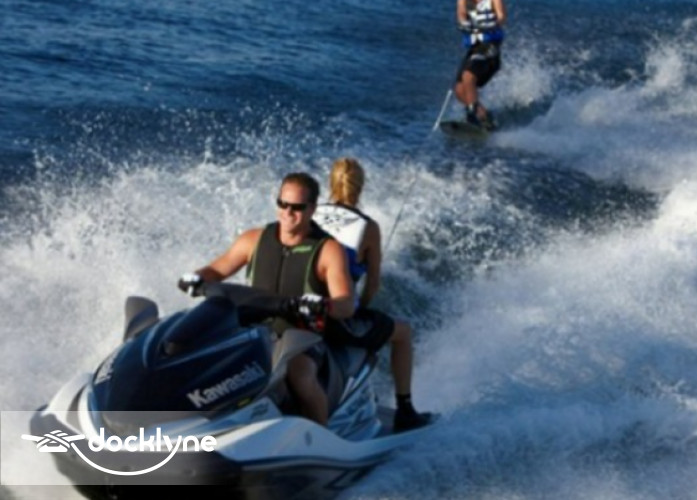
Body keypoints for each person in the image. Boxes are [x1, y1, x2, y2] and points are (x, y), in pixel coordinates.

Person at [178, 172, 355, 427]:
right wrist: (195, 278)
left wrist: (322, 305)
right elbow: (216, 270)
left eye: (297, 207)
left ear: (312, 209)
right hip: (253, 330)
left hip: (301, 335)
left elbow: (346, 304)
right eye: (283, 203)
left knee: (300, 374)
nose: (287, 212)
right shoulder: (253, 239)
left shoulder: (328, 249)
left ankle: (322, 434)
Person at [313, 157, 432, 432]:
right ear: (361, 187)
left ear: (330, 183)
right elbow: (373, 283)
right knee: (403, 333)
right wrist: (362, 307)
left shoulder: (310, 213)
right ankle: (405, 410)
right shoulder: (367, 227)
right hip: (338, 317)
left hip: (304, 307)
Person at [453, 0, 506, 130]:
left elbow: (501, 16)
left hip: (490, 48)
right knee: (459, 90)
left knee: (468, 76)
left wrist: (495, 24)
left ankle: (471, 117)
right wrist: (464, 23)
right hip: (474, 49)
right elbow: (461, 14)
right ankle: (484, 116)